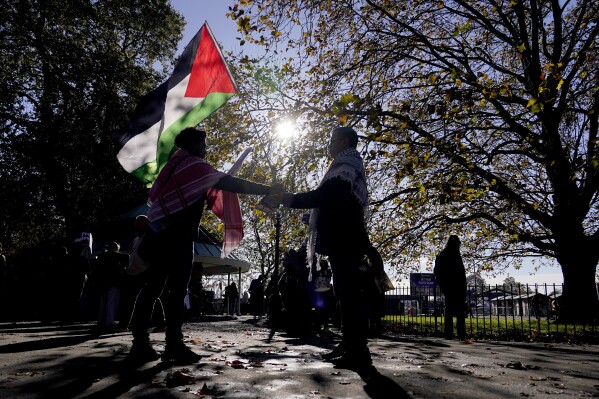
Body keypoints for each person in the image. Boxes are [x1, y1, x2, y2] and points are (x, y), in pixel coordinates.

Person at [127, 127, 281, 365]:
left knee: (152, 288)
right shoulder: (195, 166)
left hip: (158, 234)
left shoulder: (173, 166)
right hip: (178, 237)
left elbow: (160, 199)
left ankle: (140, 344)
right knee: (177, 293)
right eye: (204, 145)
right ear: (194, 145)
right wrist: (267, 189)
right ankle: (173, 345)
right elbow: (230, 183)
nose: (206, 149)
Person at [278, 126, 381, 370]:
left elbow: (324, 196)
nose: (329, 144)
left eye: (332, 139)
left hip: (344, 238)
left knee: (349, 294)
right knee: (346, 293)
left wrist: (288, 198)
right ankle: (351, 343)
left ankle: (357, 348)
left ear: (344, 141)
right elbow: (337, 203)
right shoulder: (350, 164)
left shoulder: (345, 165)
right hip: (346, 236)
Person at [117, 215, 165, 330]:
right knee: (130, 298)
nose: (136, 224)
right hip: (133, 272)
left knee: (150, 297)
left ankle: (159, 322)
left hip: (145, 271)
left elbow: (153, 255)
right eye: (136, 222)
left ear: (146, 223)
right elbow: (134, 255)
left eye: (139, 222)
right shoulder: (136, 239)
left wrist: (149, 268)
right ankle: (125, 323)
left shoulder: (151, 237)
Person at [433, 235, 467, 341]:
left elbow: (437, 272)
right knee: (459, 311)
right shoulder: (454, 254)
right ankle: (460, 334)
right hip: (456, 286)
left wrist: (442, 284)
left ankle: (449, 333)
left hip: (449, 286)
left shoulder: (443, 254)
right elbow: (461, 272)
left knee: (450, 311)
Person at [94, 242, 128, 330]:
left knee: (103, 302)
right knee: (112, 302)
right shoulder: (117, 256)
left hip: (103, 282)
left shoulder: (102, 256)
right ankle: (109, 322)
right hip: (114, 281)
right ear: (116, 248)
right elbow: (127, 256)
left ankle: (101, 321)